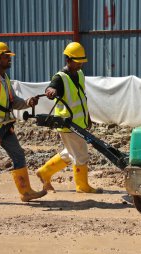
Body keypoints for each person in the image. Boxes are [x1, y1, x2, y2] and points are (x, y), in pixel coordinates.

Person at [0, 42, 47, 205]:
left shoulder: (4, 78)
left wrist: (28, 102)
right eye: (6, 57)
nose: (9, 59)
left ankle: (26, 192)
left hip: (5, 126)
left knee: (18, 155)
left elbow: (12, 102)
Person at [36, 42, 102, 193]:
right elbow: (51, 87)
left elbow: (81, 98)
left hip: (78, 123)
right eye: (77, 62)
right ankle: (82, 185)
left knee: (70, 152)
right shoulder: (60, 78)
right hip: (67, 123)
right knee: (81, 154)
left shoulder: (79, 74)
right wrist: (51, 91)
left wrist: (88, 117)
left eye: (81, 62)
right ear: (68, 60)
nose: (80, 65)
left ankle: (44, 172)